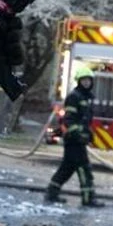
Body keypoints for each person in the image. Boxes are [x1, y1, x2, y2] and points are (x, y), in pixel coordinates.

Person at [46, 71, 103, 207]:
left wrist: (88, 133)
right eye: (84, 80)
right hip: (74, 140)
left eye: (88, 80)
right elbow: (69, 120)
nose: (86, 82)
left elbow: (83, 120)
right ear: (79, 81)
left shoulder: (85, 97)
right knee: (84, 168)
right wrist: (78, 135)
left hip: (76, 139)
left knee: (67, 168)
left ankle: (52, 193)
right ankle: (88, 199)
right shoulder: (74, 97)